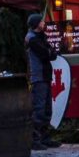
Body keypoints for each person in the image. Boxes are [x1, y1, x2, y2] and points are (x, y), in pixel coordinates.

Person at [26, 13, 61, 149]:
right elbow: (46, 54)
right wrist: (50, 52)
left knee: (47, 108)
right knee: (39, 108)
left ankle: (44, 137)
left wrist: (50, 52)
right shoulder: (32, 39)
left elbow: (51, 52)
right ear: (36, 24)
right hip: (38, 76)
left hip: (45, 75)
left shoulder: (39, 37)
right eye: (41, 22)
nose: (44, 23)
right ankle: (35, 139)